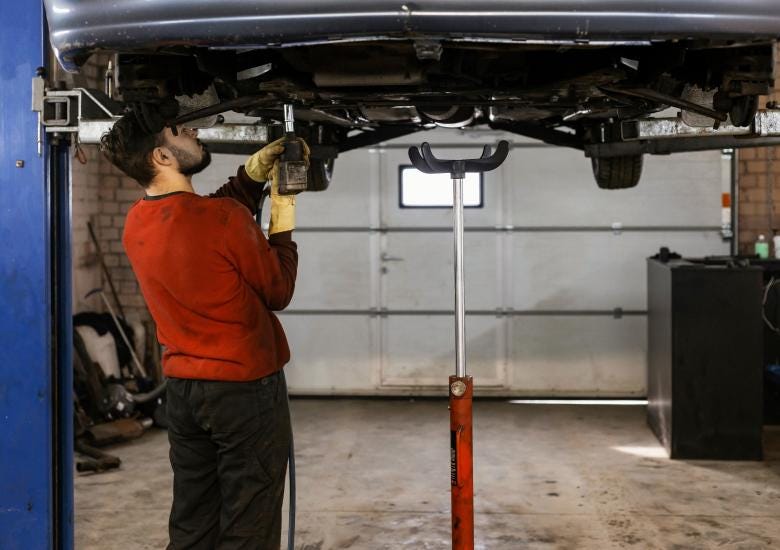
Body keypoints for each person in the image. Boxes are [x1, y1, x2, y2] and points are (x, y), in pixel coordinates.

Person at [100, 112, 308, 549]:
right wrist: (283, 215)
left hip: (184, 393)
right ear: (162, 155)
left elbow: (203, 221)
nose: (192, 131)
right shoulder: (224, 218)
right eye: (179, 131)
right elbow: (279, 290)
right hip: (244, 391)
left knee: (194, 520)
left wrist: (250, 177)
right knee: (249, 519)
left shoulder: (137, 221)